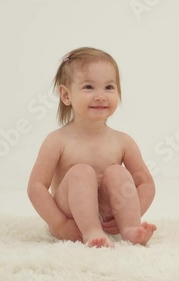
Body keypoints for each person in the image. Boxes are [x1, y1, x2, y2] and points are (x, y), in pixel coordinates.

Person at [27, 47, 156, 248]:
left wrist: (133, 214)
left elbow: (145, 182)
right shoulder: (57, 141)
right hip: (70, 217)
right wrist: (59, 224)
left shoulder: (122, 141)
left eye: (109, 87)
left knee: (116, 172)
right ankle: (91, 231)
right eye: (89, 87)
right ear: (66, 95)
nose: (100, 96)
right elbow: (36, 187)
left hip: (108, 214)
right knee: (81, 172)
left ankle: (130, 229)